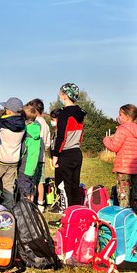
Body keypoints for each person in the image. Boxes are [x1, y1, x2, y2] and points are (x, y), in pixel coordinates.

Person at [103, 104, 137, 215]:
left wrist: (106, 139)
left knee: (123, 196)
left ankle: (124, 219)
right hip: (135, 168)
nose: (119, 116)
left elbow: (114, 147)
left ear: (127, 116)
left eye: (120, 114)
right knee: (135, 196)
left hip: (123, 167)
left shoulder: (122, 129)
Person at [51, 83, 86, 212]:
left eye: (60, 93)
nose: (59, 95)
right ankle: (77, 212)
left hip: (65, 153)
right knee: (74, 185)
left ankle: (67, 214)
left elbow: (61, 135)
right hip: (77, 152)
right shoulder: (80, 113)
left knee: (64, 185)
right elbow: (81, 134)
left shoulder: (64, 114)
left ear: (65, 95)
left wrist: (55, 155)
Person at [0, 97, 26, 210]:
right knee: (8, 186)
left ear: (9, 110)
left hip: (0, 159)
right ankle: (8, 209)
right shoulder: (23, 124)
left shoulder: (1, 122)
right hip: (14, 160)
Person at [27, 99, 50, 213]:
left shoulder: (34, 123)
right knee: (40, 182)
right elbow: (48, 144)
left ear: (35, 110)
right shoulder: (46, 124)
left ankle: (30, 203)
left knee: (31, 181)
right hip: (42, 158)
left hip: (32, 157)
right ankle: (41, 204)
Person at [17, 105, 44, 202]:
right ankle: (31, 208)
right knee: (31, 189)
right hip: (33, 165)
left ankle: (25, 209)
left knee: (24, 190)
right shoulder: (36, 129)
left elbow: (23, 150)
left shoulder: (27, 132)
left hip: (25, 165)